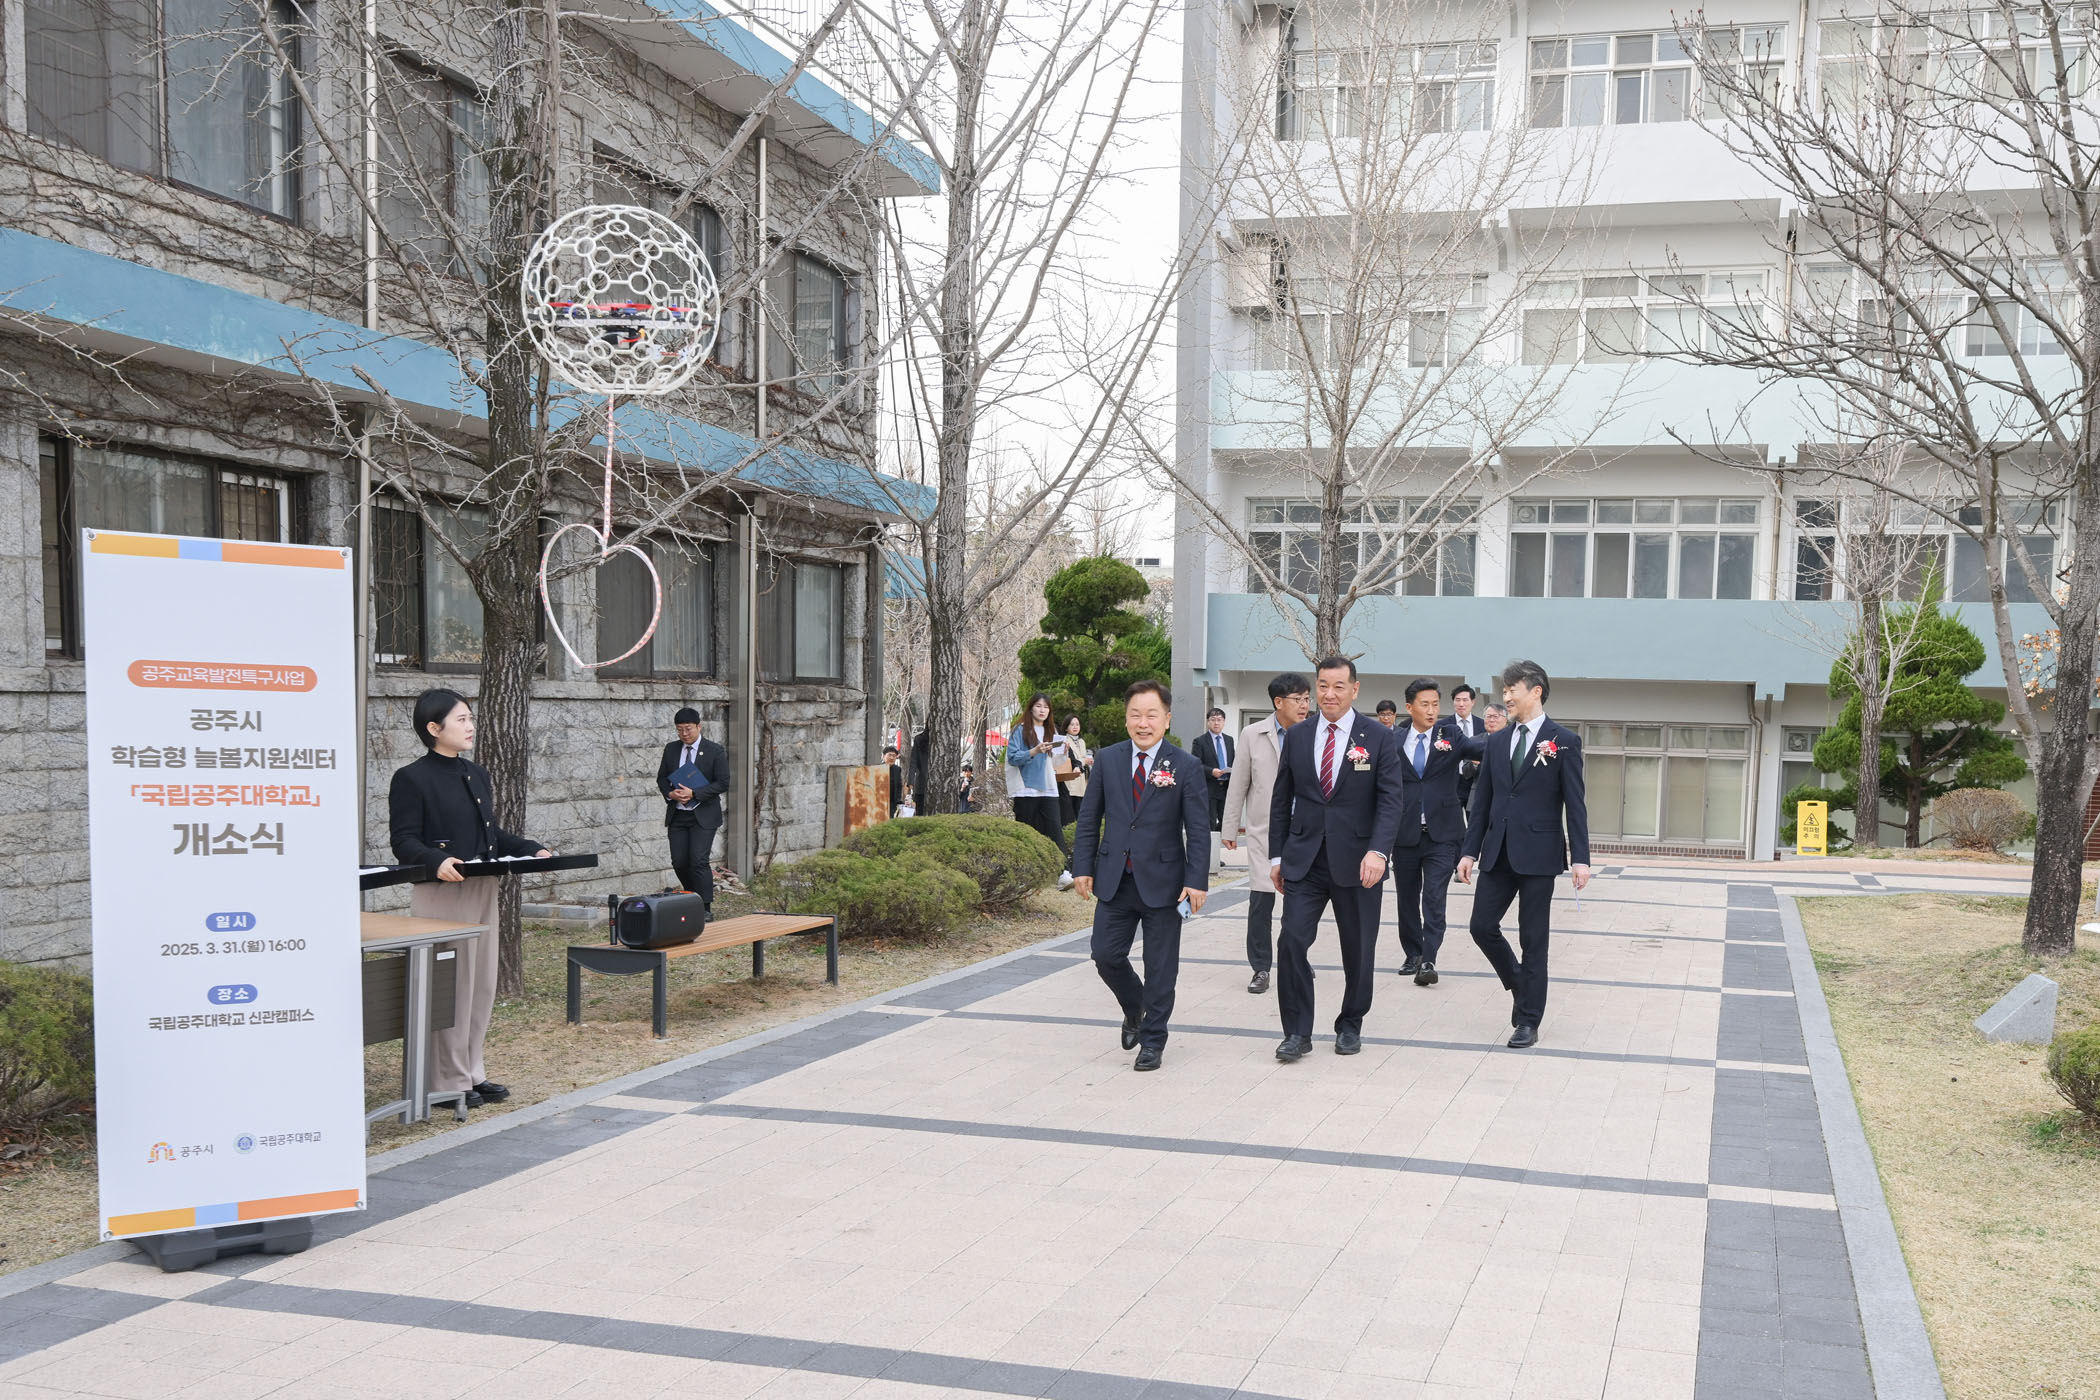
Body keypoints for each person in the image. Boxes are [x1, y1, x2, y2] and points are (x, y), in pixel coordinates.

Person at [389, 689, 551, 1110]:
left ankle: (470, 1070)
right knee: (451, 987)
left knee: (480, 984)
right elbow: (403, 841)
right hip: (443, 893)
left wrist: (532, 849)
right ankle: (445, 1079)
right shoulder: (411, 778)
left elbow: (491, 835)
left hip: (482, 887)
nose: (470, 726)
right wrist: (436, 859)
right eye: (460, 719)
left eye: (470, 718)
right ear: (433, 728)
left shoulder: (476, 773)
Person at [1266, 657, 1408, 1062]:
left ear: (1354, 689)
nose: (1329, 694)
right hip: (1305, 860)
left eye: (1338, 686)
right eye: (1323, 686)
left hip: (1360, 862)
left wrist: (1378, 852)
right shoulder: (1298, 735)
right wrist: (1277, 855)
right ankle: (1297, 1032)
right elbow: (1281, 800)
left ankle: (1350, 1023)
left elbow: (1391, 800)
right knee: (1291, 941)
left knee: (1358, 950)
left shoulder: (1378, 737)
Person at [1071, 681, 1210, 1071]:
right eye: (1135, 715)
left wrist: (1197, 880)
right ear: (1126, 718)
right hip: (1115, 878)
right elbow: (1089, 818)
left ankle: (1153, 1041)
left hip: (1166, 884)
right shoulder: (1108, 759)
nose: (1143, 723)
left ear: (1167, 719)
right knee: (1105, 955)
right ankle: (1135, 1007)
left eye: (1151, 715)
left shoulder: (1185, 765)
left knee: (1161, 967)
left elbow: (1198, 829)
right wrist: (1082, 867)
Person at [1458, 660, 1591, 1049]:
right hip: (1497, 852)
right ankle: (1519, 982)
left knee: (1534, 939)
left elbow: (1575, 804)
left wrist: (1581, 858)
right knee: (1481, 926)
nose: (1506, 697)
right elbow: (1483, 803)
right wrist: (1468, 852)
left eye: (1511, 690)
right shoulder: (1497, 741)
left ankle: (1528, 1020)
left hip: (1539, 854)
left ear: (1536, 691)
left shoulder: (1563, 740)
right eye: (1504, 691)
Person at [1389, 678, 1483, 988]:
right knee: (1406, 898)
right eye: (1424, 704)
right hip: (1404, 834)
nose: (1431, 710)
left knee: (1433, 897)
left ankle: (1429, 958)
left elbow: (1481, 747)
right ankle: (1413, 953)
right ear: (1409, 707)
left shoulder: (1450, 735)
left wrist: (1512, 732)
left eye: (1435, 704)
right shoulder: (1393, 739)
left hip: (1442, 834)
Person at [1221, 672, 1310, 994]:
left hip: (1305, 832)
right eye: (1298, 699)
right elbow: (1238, 783)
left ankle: (1296, 958)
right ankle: (1260, 967)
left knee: (1301, 904)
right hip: (1265, 831)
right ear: (1278, 702)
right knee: (1261, 901)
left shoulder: (1314, 733)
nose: (1304, 705)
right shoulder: (1252, 734)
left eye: (1307, 699)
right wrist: (1230, 827)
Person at [657, 706, 730, 910]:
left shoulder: (714, 750)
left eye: (688, 729)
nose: (684, 734)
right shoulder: (671, 749)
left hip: (703, 815)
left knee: (698, 860)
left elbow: (723, 782)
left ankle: (704, 907)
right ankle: (692, 899)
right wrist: (670, 794)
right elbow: (661, 778)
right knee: (679, 862)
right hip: (678, 814)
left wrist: (695, 793)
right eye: (679, 729)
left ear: (699, 727)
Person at [1008, 693, 1072, 878]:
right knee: (1026, 832)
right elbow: (1012, 758)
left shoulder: (1051, 731)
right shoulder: (1020, 730)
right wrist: (1034, 751)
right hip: (1025, 788)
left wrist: (1063, 752)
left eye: (1046, 707)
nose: (1042, 710)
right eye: (1038, 706)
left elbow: (1053, 762)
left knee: (1055, 830)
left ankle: (1063, 872)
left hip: (1049, 788)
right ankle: (1024, 874)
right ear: (1030, 708)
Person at [1192, 707, 1235, 868]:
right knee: (1209, 823)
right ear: (1208, 722)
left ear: (1224, 722)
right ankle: (1209, 857)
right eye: (1213, 720)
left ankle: (1215, 853)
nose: (1216, 723)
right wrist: (1211, 771)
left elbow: (1234, 760)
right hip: (1209, 787)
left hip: (1226, 787)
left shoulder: (1229, 740)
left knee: (1225, 822)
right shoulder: (1200, 741)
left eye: (1219, 720)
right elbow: (1196, 764)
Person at [1450, 683, 1483, 813]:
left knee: (1474, 819)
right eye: (1457, 700)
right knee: (1452, 820)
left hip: (1475, 781)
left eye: (1465, 700)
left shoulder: (1482, 724)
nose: (1461, 704)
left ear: (1473, 702)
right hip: (1452, 781)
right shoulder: (1443, 726)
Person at [1057, 715, 1092, 827]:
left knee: (1081, 812)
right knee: (1070, 813)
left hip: (1081, 780)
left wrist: (1085, 761)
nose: (1075, 727)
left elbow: (1081, 758)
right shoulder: (1064, 741)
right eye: (1072, 724)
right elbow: (1071, 760)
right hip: (1069, 780)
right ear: (1066, 727)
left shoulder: (1081, 741)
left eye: (1077, 724)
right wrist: (1084, 761)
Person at [884, 744, 905, 818]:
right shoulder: (878, 768)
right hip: (881, 800)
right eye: (889, 755)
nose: (892, 758)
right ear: (883, 756)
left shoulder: (897, 769)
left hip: (893, 801)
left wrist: (898, 799)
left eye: (894, 756)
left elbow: (899, 785)